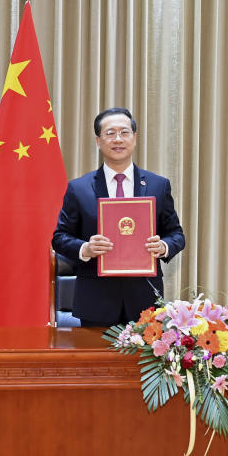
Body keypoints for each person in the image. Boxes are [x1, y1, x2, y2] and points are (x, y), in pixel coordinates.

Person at [52, 107, 185, 327]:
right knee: (96, 362)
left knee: (142, 363)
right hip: (96, 301)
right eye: (110, 133)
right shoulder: (79, 188)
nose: (118, 139)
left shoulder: (157, 185)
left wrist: (163, 246)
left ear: (134, 138)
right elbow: (59, 238)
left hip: (145, 301)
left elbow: (176, 234)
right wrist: (85, 248)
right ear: (98, 141)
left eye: (124, 132)